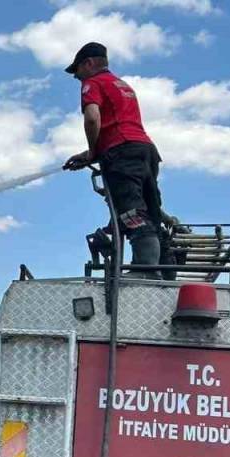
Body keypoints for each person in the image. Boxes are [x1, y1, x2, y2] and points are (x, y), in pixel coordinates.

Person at [61, 42, 168, 279]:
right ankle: (155, 268)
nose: (77, 77)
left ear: (89, 63)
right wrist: (93, 153)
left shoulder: (93, 83)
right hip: (145, 150)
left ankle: (146, 270)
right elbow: (119, 126)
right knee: (151, 211)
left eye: (77, 70)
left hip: (122, 154)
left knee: (131, 211)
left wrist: (91, 151)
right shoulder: (122, 85)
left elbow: (92, 118)